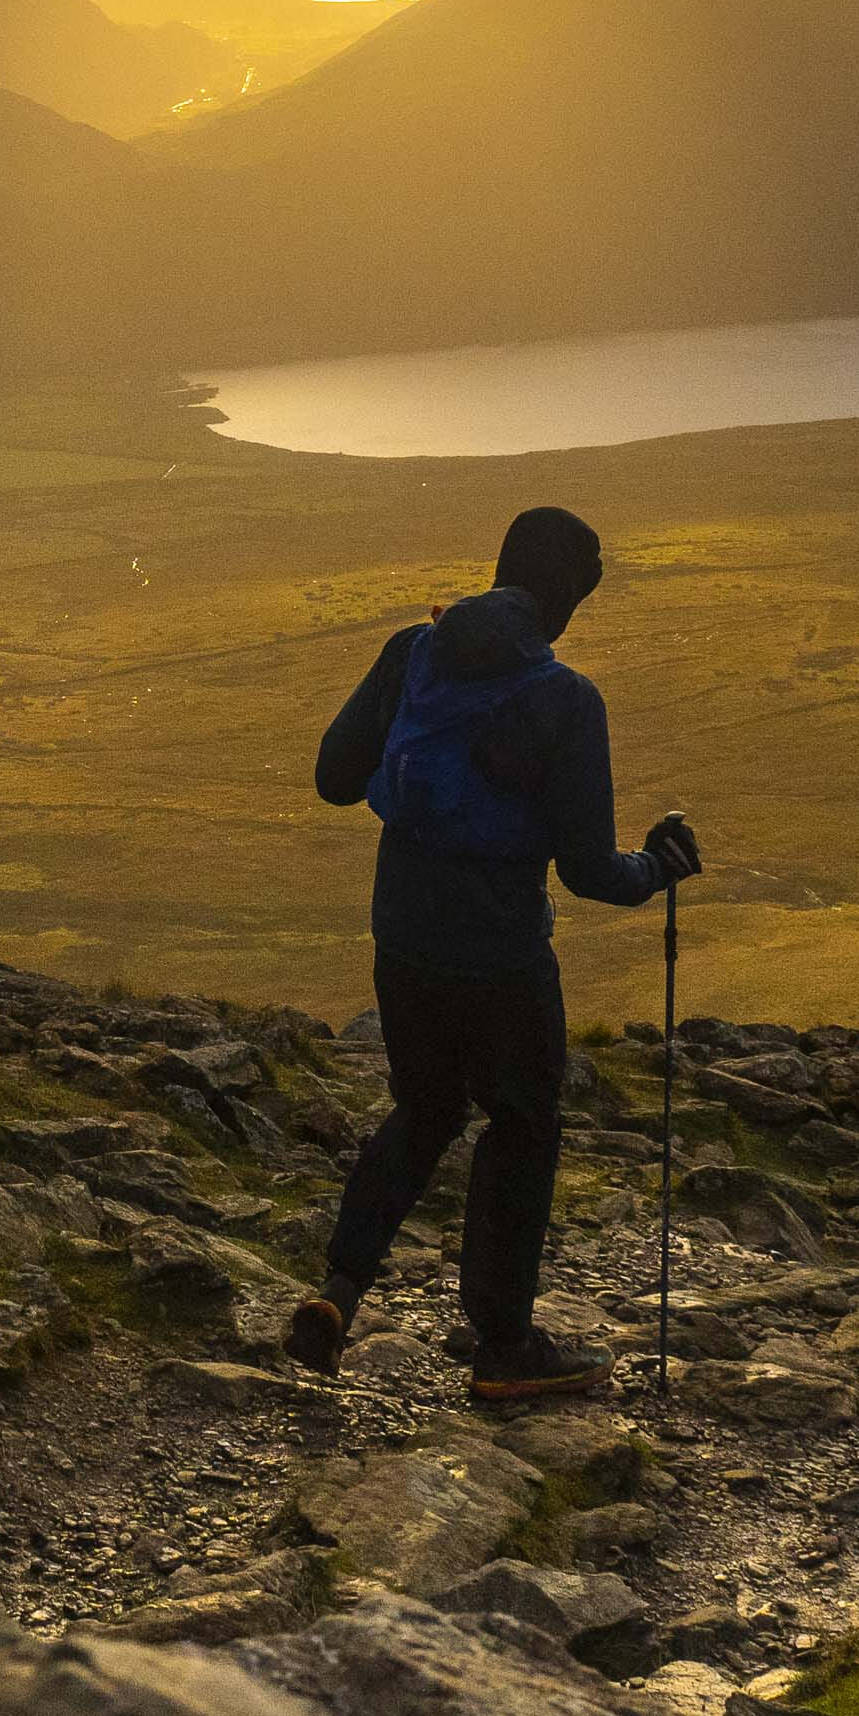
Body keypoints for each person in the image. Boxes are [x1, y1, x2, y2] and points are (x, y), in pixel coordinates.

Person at [289, 502, 698, 1404]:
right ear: (564, 594)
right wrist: (656, 869)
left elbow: (332, 779)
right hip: (503, 955)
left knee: (426, 1107)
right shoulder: (565, 699)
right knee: (521, 1125)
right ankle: (504, 1346)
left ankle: (337, 1295)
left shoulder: (413, 651)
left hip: (402, 937)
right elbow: (589, 870)